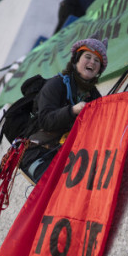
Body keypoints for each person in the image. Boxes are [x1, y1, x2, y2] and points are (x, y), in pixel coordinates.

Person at [20, 38, 107, 183]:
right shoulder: (56, 85)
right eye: (88, 57)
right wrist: (72, 110)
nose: (92, 62)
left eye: (97, 61)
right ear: (76, 60)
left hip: (69, 154)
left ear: (99, 70)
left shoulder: (93, 95)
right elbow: (46, 121)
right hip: (39, 154)